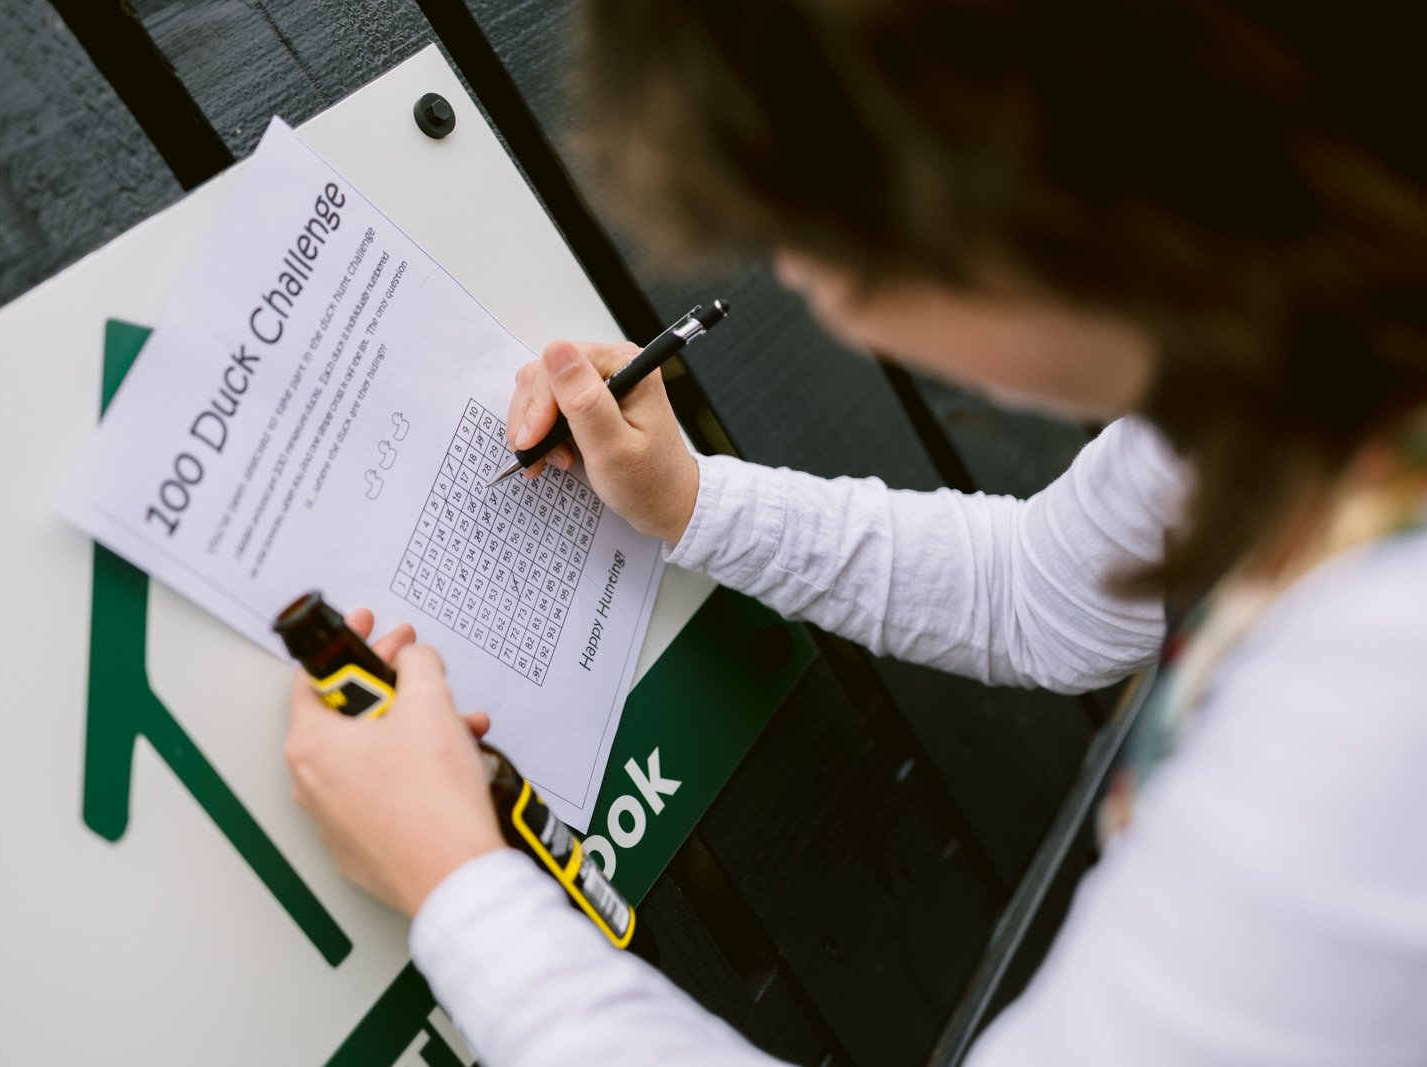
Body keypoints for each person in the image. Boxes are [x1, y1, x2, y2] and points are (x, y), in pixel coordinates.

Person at [283, 2, 1427, 1062]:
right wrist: (689, 499)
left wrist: (453, 879)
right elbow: (1053, 593)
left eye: (815, 221)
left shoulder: (1375, 691)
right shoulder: (1310, 352)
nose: (806, 280)